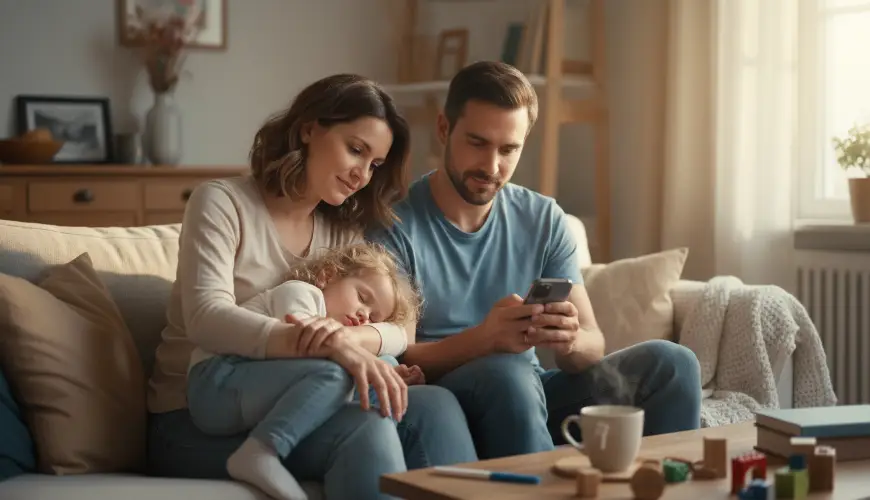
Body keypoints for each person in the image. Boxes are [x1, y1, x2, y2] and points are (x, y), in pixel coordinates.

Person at [146, 73, 477, 500]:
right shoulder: (222, 203)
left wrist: (346, 342)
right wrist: (327, 347)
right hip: (192, 416)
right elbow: (206, 319)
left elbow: (401, 330)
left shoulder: (340, 231)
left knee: (435, 405)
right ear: (308, 129)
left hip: (294, 397)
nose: (362, 175)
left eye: (374, 164)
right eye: (355, 150)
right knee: (366, 430)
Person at [366, 61, 702, 460]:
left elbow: (593, 343)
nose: (492, 167)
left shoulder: (543, 219)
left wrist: (570, 341)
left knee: (673, 363)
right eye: (477, 142)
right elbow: (398, 354)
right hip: (447, 399)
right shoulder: (392, 226)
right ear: (444, 129)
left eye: (509, 149)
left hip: (528, 393)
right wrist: (486, 339)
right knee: (507, 371)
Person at [187, 242, 426, 500]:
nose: (363, 315)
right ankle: (261, 451)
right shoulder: (301, 293)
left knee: (375, 368)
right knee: (338, 372)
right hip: (216, 382)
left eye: (373, 317)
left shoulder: (337, 332)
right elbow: (306, 342)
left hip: (244, 394)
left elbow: (383, 347)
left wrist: (390, 372)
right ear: (327, 275)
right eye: (362, 298)